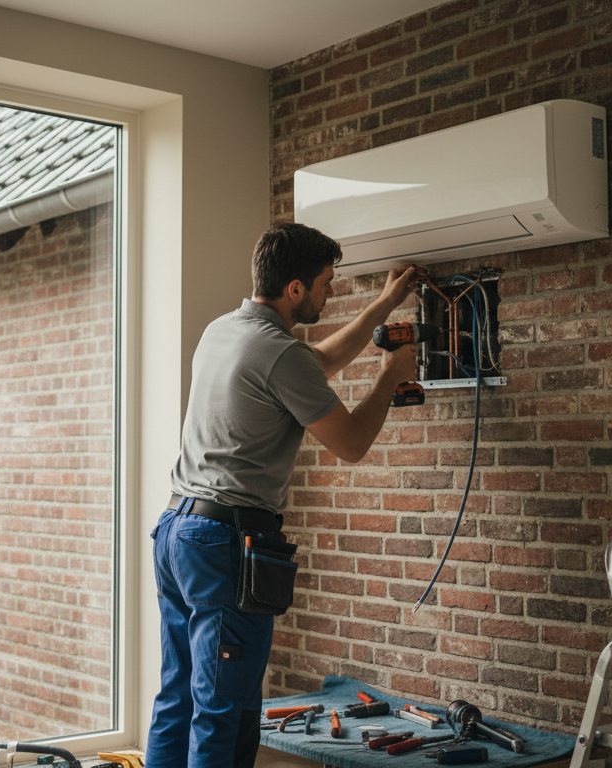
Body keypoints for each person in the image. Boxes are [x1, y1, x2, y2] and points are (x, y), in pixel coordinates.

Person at [145, 222, 420, 768]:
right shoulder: (279, 354)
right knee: (225, 709)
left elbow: (318, 363)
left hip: (177, 531)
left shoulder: (226, 330)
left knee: (179, 697)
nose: (331, 292)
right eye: (326, 282)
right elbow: (351, 443)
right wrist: (390, 376)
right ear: (295, 289)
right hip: (224, 543)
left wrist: (386, 302)